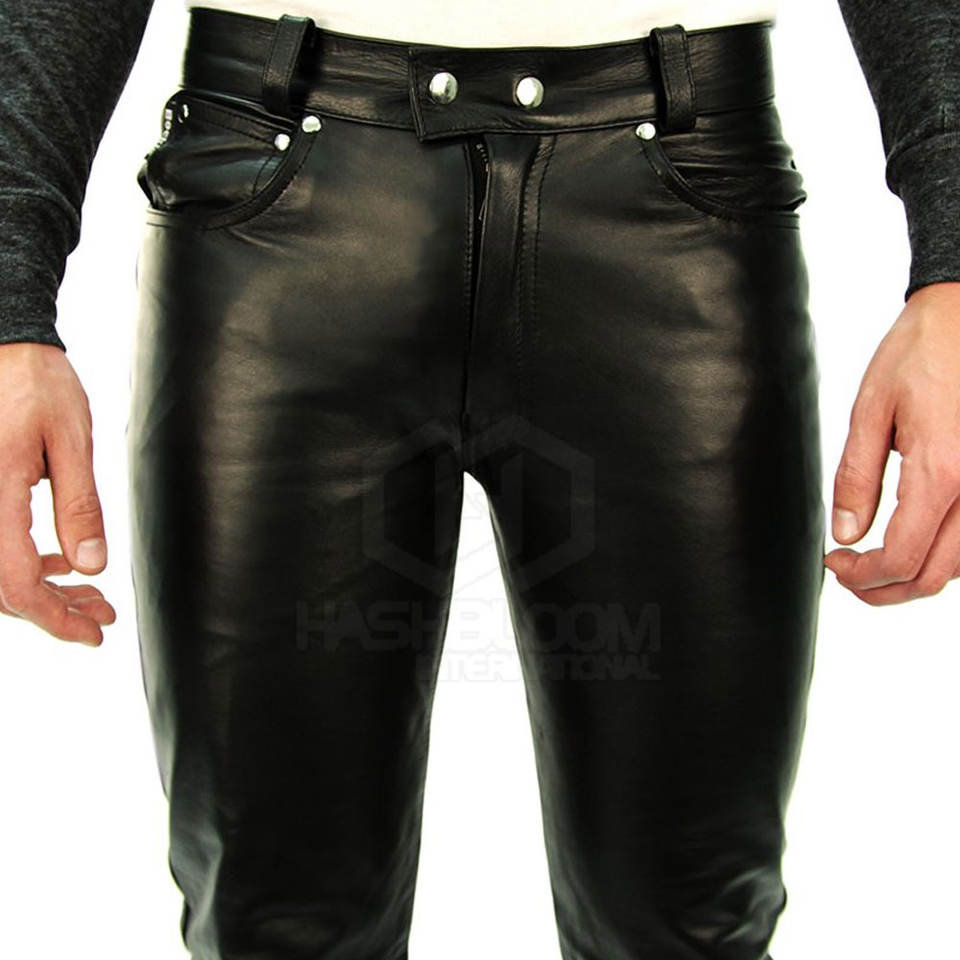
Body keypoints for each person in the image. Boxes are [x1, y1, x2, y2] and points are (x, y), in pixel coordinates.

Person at [0, 1, 957, 958]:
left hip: (681, 205)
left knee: (690, 918)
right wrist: (9, 308)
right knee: (274, 920)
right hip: (275, 212)